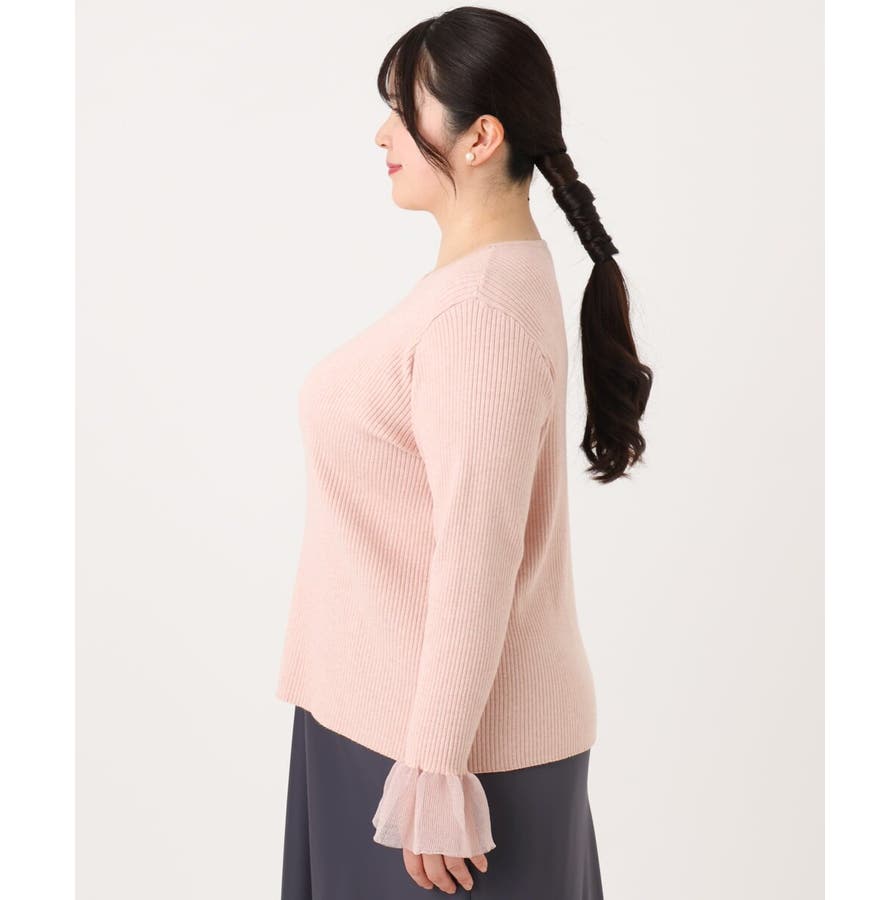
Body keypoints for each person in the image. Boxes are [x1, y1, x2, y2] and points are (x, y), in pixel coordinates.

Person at [276, 7, 652, 898]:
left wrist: (436, 768)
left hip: (439, 763)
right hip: (391, 732)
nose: (382, 134)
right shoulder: (481, 286)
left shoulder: (478, 315)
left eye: (403, 110)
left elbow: (476, 556)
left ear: (480, 138)